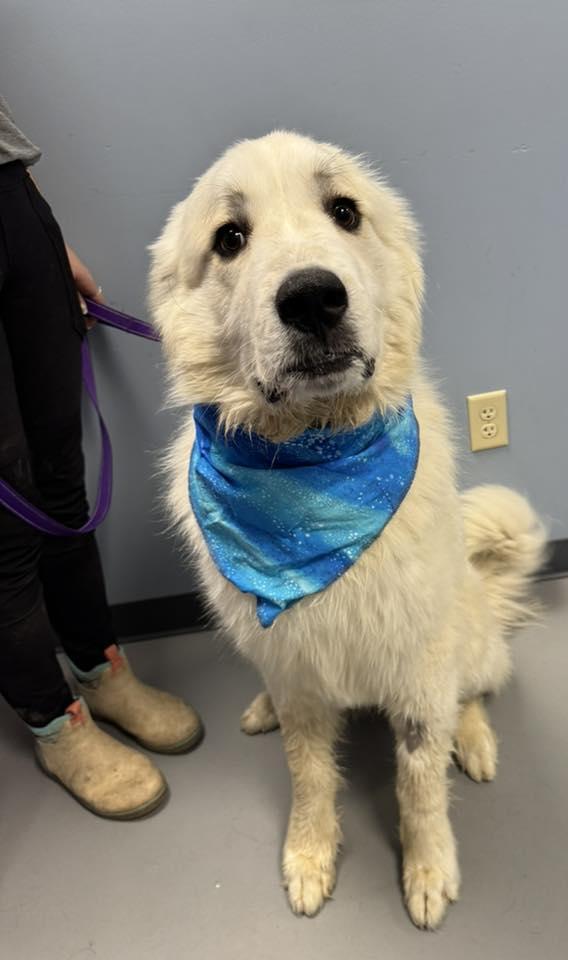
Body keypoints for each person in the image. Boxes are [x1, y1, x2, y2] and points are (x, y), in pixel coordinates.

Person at [0, 94, 203, 819]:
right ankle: (54, 725)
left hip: (9, 197)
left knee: (62, 480)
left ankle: (99, 669)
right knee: (5, 525)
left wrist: (42, 236)